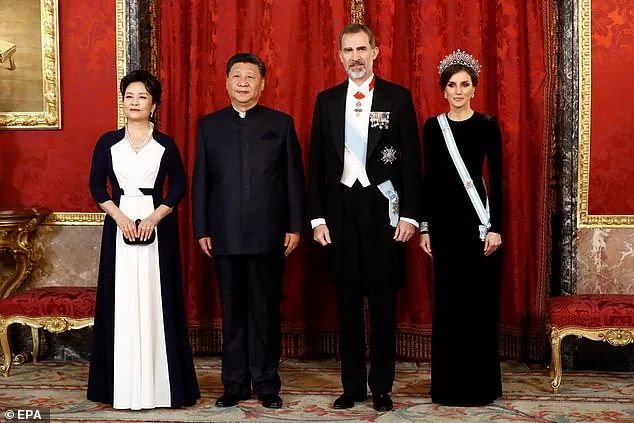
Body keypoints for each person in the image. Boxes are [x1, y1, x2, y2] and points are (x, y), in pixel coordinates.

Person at [308, 24, 422, 412]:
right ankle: (352, 385)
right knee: (346, 302)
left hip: (383, 212)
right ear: (339, 55)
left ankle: (382, 387)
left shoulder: (398, 97)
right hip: (339, 213)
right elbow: (317, 166)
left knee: (383, 302)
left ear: (376, 51)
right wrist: (316, 219)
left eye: (362, 49)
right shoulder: (325, 101)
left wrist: (410, 215)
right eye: (348, 50)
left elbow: (412, 165)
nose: (355, 56)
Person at [192, 53, 305, 409]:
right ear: (226, 82)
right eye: (236, 76)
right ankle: (235, 383)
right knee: (233, 312)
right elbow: (201, 183)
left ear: (262, 83)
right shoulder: (209, 126)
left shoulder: (281, 124)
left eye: (250, 77)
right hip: (223, 234)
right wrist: (202, 228)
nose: (243, 82)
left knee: (265, 312)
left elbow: (293, 180)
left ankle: (267, 383)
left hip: (269, 235)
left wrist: (294, 225)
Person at [87, 70, 200, 409]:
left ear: (154, 105)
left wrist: (154, 218)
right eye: (129, 97)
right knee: (119, 301)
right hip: (119, 225)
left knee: (157, 300)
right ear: (122, 102)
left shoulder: (165, 144)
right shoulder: (107, 142)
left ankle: (164, 388)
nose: (134, 103)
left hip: (156, 225)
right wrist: (120, 218)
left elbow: (179, 186)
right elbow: (95, 186)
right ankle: (117, 387)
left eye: (142, 98)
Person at [419, 49, 503, 406]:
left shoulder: (487, 125)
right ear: (443, 90)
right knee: (449, 308)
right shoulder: (432, 127)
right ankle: (448, 388)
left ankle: (480, 387)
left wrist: (495, 227)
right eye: (451, 85)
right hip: (445, 228)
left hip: (478, 226)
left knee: (477, 308)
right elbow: (429, 181)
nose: (458, 90)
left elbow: (497, 179)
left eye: (464, 84)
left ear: (474, 88)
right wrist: (424, 227)